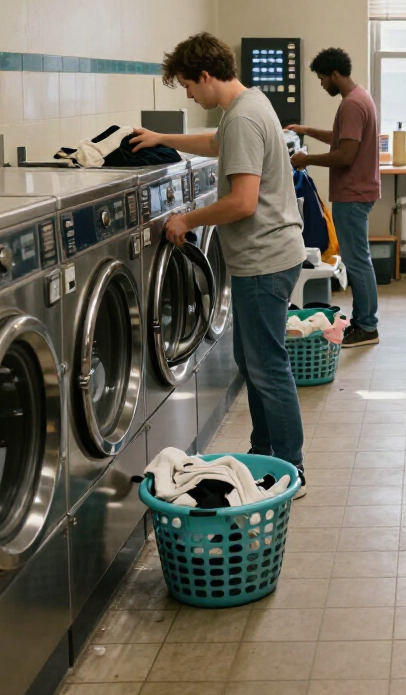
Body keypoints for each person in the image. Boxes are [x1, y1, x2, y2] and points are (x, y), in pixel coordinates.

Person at [129, 32, 309, 493]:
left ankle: (292, 466)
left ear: (206, 76)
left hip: (263, 260)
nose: (189, 94)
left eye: (190, 85)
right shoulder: (248, 106)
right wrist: (163, 137)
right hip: (269, 255)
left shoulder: (244, 117)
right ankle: (267, 453)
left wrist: (186, 218)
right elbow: (217, 142)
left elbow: (243, 202)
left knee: (266, 366)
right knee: (256, 363)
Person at [287, 47, 381, 348]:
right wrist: (306, 131)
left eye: (322, 78)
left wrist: (306, 159)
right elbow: (342, 138)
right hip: (359, 191)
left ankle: (367, 326)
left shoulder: (352, 105)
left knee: (357, 262)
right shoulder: (359, 97)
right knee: (359, 259)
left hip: (352, 194)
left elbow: (346, 154)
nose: (322, 84)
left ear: (335, 74)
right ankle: (365, 323)